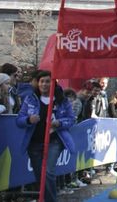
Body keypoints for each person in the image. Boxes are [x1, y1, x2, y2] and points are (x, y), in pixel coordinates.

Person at [16, 70, 75, 202]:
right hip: (34, 142)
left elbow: (71, 119)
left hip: (54, 141)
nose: (44, 84)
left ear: (53, 83)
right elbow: (19, 119)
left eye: (48, 81)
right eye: (41, 81)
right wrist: (28, 120)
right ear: (38, 83)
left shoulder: (61, 100)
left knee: (48, 172)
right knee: (40, 176)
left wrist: (59, 123)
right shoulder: (30, 98)